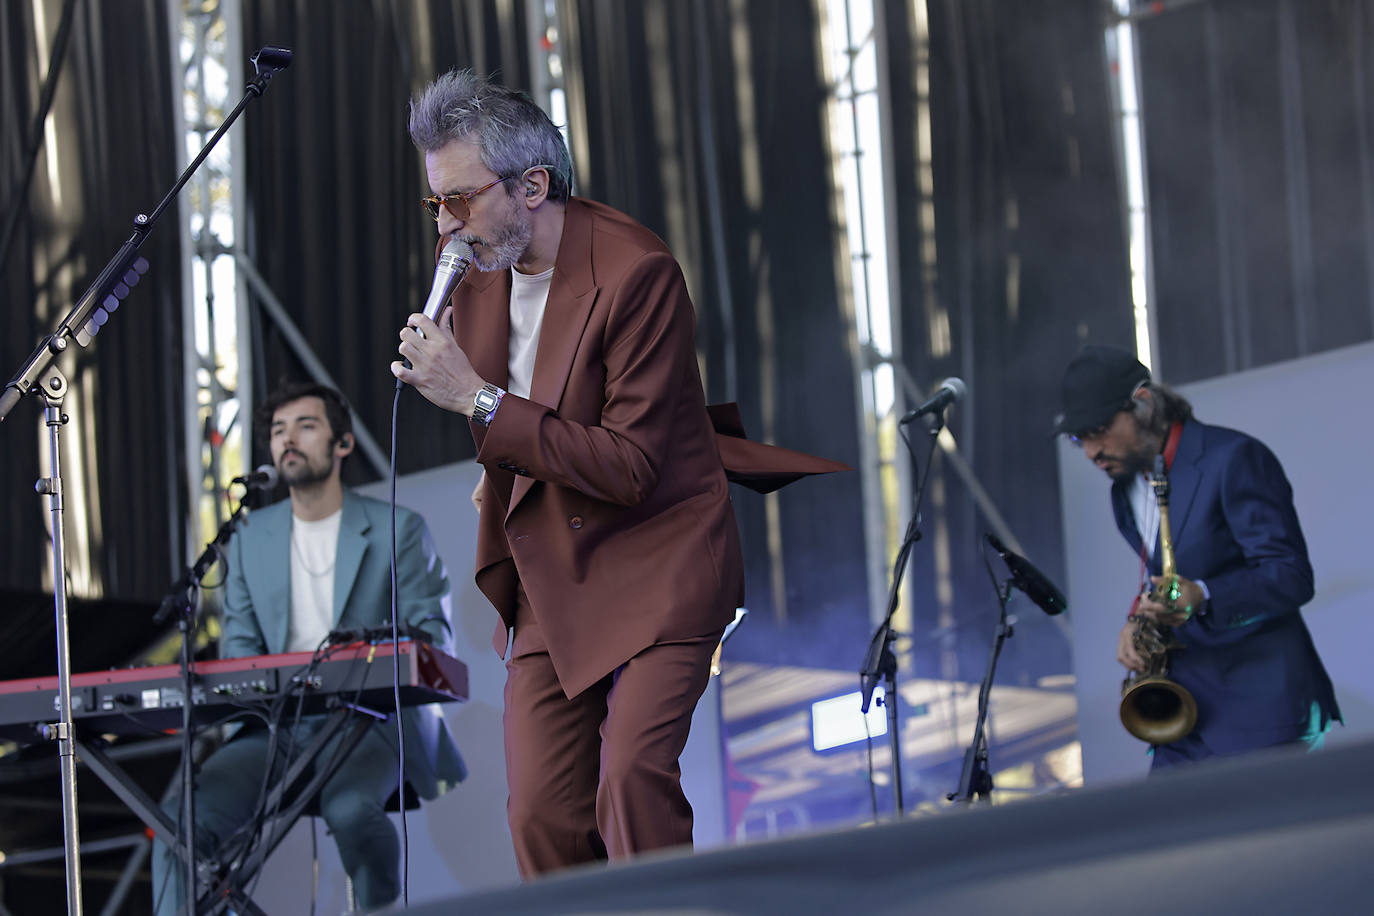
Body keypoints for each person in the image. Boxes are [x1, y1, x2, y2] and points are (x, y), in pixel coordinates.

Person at [392, 69, 841, 877]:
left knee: (630, 781)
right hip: (550, 569)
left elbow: (631, 466)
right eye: (435, 204)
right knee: (539, 814)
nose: (448, 228)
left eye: (460, 200)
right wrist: (490, 443)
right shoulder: (472, 262)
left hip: (658, 557)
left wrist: (480, 404)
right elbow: (510, 402)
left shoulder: (637, 274)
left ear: (533, 185)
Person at [152, 381, 465, 913]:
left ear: (343, 444)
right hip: (277, 728)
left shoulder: (398, 529)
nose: (288, 440)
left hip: (369, 723)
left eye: (306, 425)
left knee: (351, 812)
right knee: (180, 822)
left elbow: (431, 638)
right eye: (277, 431)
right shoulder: (250, 540)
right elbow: (241, 655)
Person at [1057, 344, 1340, 769]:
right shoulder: (1121, 490)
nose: (1091, 452)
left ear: (1144, 403)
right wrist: (1137, 619)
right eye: (1080, 438)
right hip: (1185, 717)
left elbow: (1290, 575)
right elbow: (1168, 571)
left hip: (1261, 713)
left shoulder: (1234, 458)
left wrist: (1204, 595)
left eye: (1099, 430)